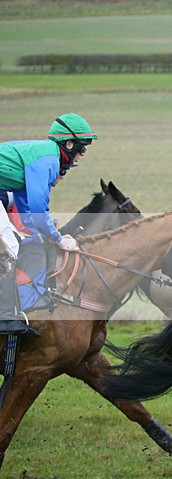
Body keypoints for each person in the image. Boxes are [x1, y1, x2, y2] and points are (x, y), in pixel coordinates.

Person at [0, 112, 97, 335]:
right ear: (69, 144)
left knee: (12, 241)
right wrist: (58, 238)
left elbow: (28, 214)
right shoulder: (50, 159)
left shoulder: (42, 155)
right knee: (9, 249)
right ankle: (4, 317)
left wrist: (49, 235)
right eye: (82, 148)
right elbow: (38, 207)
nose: (82, 155)